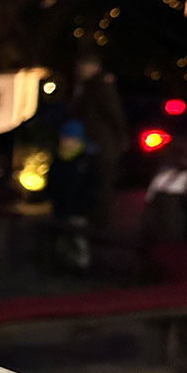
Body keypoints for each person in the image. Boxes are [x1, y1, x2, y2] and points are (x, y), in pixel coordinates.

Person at [68, 54, 128, 228]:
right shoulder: (89, 86)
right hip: (95, 143)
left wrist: (121, 136)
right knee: (94, 183)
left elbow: (114, 112)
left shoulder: (100, 85)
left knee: (101, 184)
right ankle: (94, 220)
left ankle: (100, 223)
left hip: (102, 145)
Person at [47, 119, 99, 271]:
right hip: (61, 206)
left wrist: (86, 204)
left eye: (70, 139)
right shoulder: (59, 159)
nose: (66, 142)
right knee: (62, 238)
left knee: (78, 238)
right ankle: (64, 264)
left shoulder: (86, 161)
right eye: (64, 138)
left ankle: (81, 266)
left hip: (78, 208)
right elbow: (53, 181)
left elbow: (92, 185)